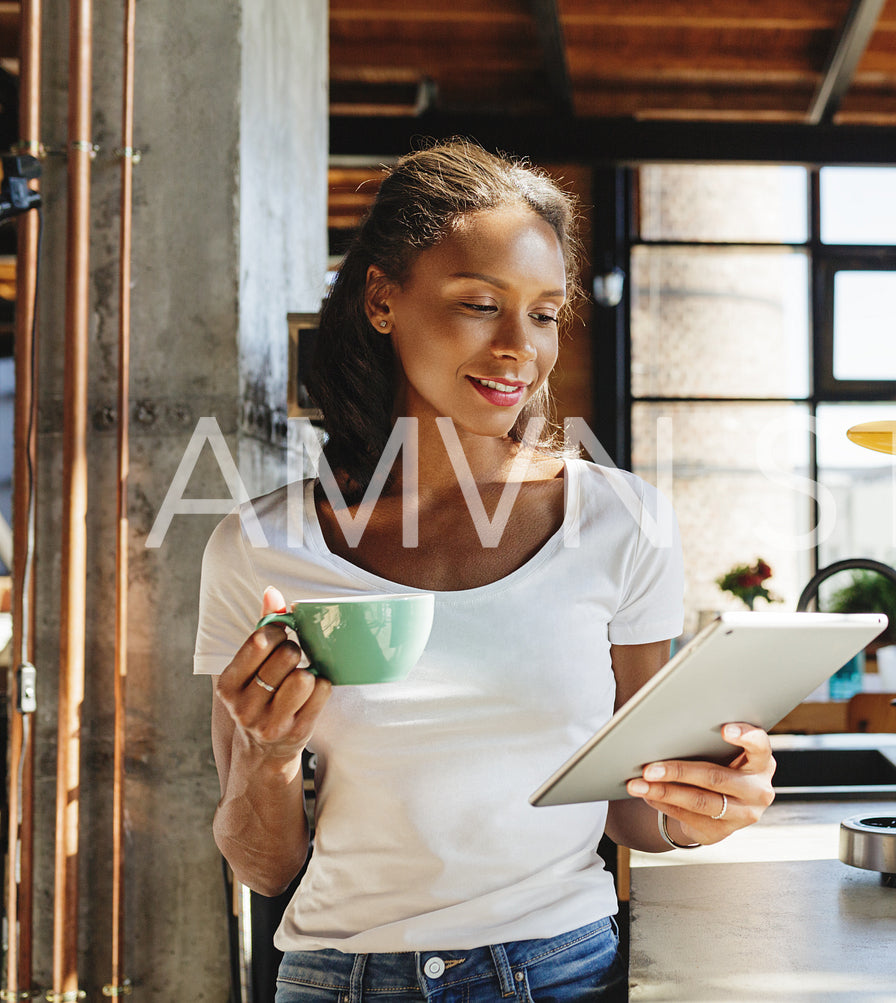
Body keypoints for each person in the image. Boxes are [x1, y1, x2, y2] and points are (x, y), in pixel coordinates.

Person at [194, 138, 777, 1002]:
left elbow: (629, 807)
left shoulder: (622, 521)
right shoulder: (262, 548)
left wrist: (701, 810)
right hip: (335, 977)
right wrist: (269, 757)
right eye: (478, 304)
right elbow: (263, 862)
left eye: (543, 314)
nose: (519, 348)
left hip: (560, 972)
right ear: (383, 299)